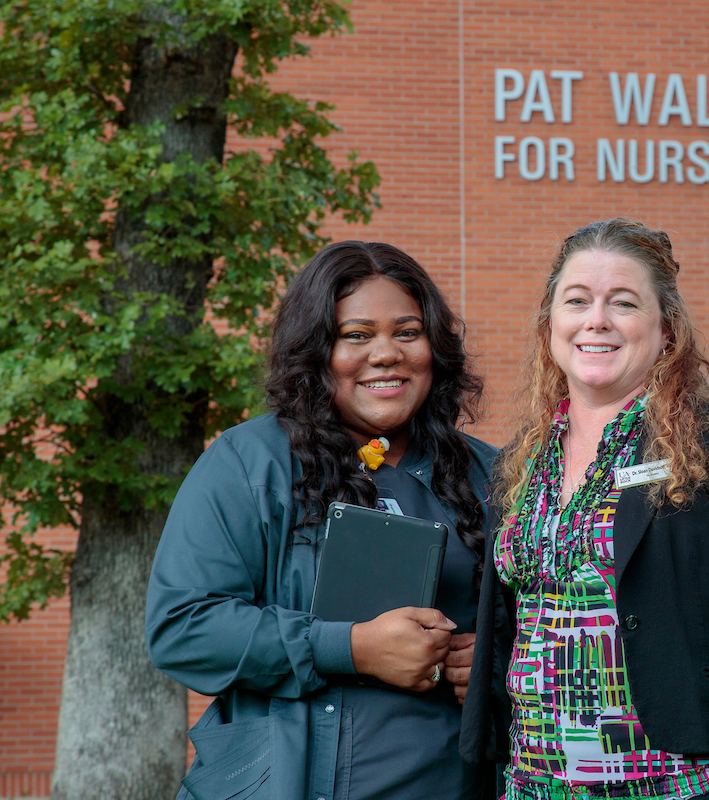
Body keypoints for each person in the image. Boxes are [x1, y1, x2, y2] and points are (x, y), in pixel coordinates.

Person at [460, 218, 709, 800]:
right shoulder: (520, 462)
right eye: (577, 300)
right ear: (550, 325)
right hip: (535, 786)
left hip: (690, 785)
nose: (597, 320)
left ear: (667, 330)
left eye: (624, 303)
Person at [146, 241, 498, 800]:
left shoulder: (493, 474)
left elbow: (554, 626)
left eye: (408, 332)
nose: (386, 354)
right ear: (316, 350)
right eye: (356, 335)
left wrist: (497, 662)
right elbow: (183, 626)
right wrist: (352, 648)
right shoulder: (249, 462)